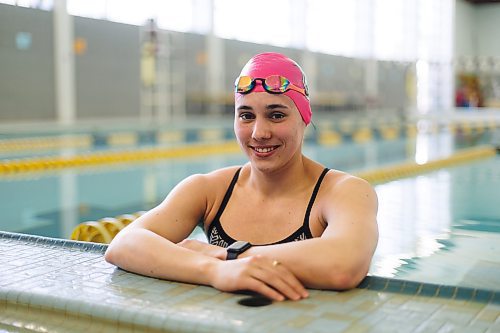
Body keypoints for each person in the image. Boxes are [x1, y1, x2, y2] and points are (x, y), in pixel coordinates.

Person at [105, 52, 378, 302]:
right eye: (246, 115)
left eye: (276, 115)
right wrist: (213, 271)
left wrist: (228, 255)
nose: (259, 132)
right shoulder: (209, 190)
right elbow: (124, 244)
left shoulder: (344, 191)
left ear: (304, 117)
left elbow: (345, 264)